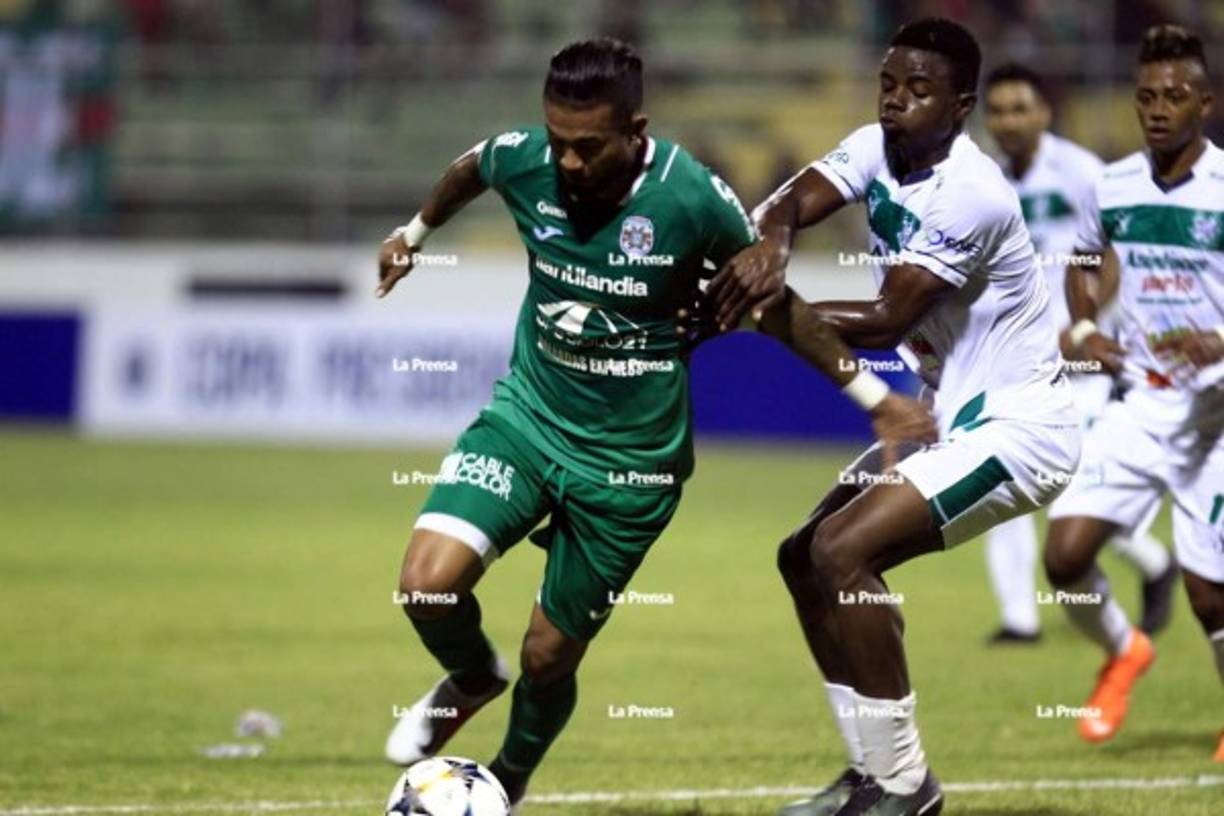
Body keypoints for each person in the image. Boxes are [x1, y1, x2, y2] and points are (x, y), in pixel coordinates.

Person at [375, 37, 931, 811]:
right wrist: (414, 235)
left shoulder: (691, 198)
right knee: (425, 590)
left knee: (548, 656)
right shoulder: (525, 157)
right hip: (528, 420)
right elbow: (472, 166)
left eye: (588, 148)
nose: (566, 163)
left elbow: (777, 309)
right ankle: (472, 676)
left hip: (631, 468)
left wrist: (880, 400)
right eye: (558, 142)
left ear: (636, 131)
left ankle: (507, 778)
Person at [709, 18, 1082, 815]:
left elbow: (882, 320)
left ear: (961, 105)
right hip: (954, 418)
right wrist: (771, 245)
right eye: (888, 84)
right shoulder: (877, 146)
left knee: (843, 551)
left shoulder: (972, 194)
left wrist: (760, 307)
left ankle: (906, 787)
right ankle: (872, 771)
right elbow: (787, 200)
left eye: (919, 90)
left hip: (1021, 428)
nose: (896, 102)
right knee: (801, 555)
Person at [1041, 24, 1223, 756]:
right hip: (1139, 404)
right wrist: (1084, 329)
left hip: (1214, 419)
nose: (1157, 109)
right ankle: (1123, 648)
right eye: (1146, 95)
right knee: (1064, 556)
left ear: (1205, 104)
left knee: (1208, 594)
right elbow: (1082, 262)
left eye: (1174, 96)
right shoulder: (1109, 183)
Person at [981, 61, 1176, 644]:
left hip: (1082, 358)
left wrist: (1084, 323)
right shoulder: (985, 178)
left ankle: (1153, 562)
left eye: (1020, 108)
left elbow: (1112, 251)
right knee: (997, 478)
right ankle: (1020, 618)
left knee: (1078, 486)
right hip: (1014, 356)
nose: (1008, 120)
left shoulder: (1081, 171)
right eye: (997, 110)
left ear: (1045, 112)